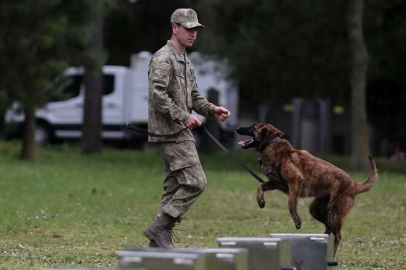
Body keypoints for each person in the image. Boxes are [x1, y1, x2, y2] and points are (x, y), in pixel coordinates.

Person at [144, 8, 231, 249]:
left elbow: (193, 96)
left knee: (173, 187)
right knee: (196, 181)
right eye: (188, 28)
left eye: (195, 30)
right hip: (169, 132)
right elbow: (157, 96)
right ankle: (160, 228)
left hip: (179, 131)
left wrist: (212, 109)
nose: (193, 34)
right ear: (175, 27)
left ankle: (158, 243)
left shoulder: (183, 59)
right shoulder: (163, 58)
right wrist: (184, 116)